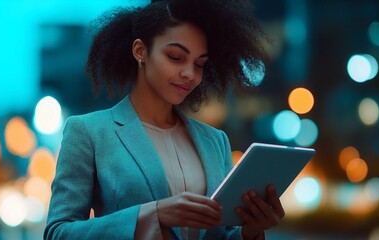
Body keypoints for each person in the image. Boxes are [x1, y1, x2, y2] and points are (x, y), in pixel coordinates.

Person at [44, 0, 285, 239]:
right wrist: (153, 214)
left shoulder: (215, 141)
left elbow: (221, 235)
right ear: (140, 51)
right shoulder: (88, 132)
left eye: (200, 64)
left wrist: (249, 232)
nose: (190, 74)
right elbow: (58, 233)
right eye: (176, 57)